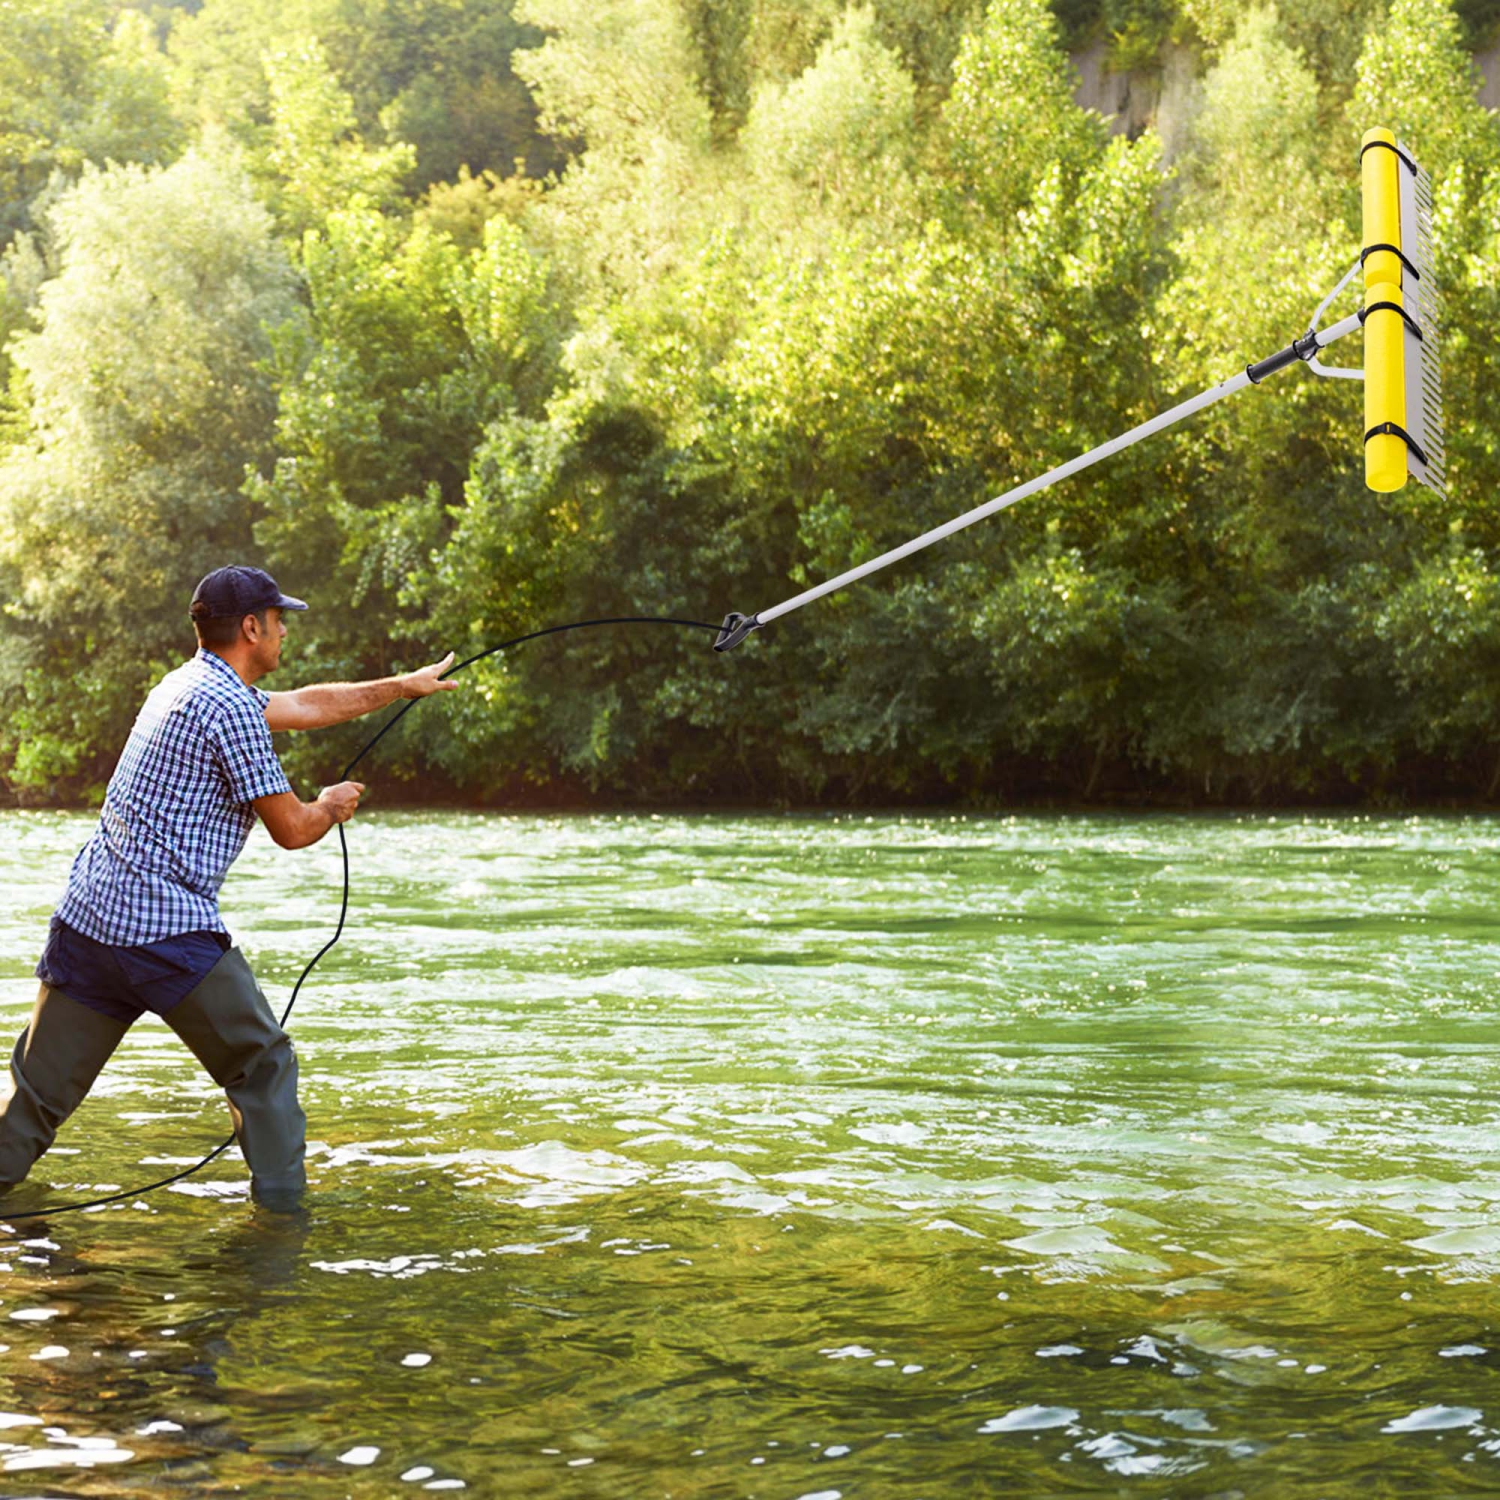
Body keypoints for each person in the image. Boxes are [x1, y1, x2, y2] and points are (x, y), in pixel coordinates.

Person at [0, 565, 459, 1211]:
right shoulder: (232, 710)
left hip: (87, 921)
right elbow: (293, 830)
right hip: (164, 933)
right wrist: (328, 805)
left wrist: (400, 688)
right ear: (251, 626)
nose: (283, 633)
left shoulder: (184, 686)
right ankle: (280, 1232)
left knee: (38, 1096)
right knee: (262, 1065)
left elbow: (303, 704)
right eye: (278, 621)